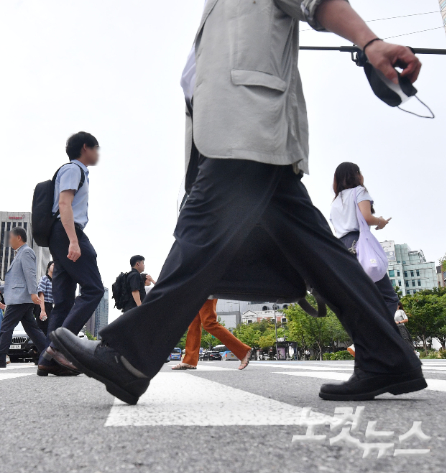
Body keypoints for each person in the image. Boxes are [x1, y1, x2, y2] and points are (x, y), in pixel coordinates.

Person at [49, 0, 425, 405]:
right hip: (237, 137)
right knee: (319, 252)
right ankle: (387, 355)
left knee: (198, 238)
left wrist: (368, 41)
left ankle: (128, 356)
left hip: (248, 128)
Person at [39, 132, 105, 374]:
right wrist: (74, 241)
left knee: (64, 301)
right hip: (67, 231)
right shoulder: (73, 170)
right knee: (94, 288)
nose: (98, 154)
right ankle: (60, 348)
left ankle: (47, 360)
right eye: (96, 148)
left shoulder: (77, 172)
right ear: (85, 147)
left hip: (61, 233)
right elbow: (65, 204)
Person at [330, 162, 399, 359]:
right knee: (388, 297)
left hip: (342, 249)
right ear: (356, 175)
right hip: (359, 245)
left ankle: (364, 343)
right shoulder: (359, 191)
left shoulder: (335, 202)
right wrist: (381, 221)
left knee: (362, 299)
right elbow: (367, 217)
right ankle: (367, 341)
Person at [0, 227, 49, 370]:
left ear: (18, 237)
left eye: (10, 237)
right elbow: (18, 280)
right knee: (32, 330)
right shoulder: (19, 254)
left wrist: (32, 293)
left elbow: (30, 274)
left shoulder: (26, 252)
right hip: (21, 297)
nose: (9, 240)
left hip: (20, 299)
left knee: (6, 327)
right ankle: (51, 353)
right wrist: (1, 288)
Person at [172, 299, 251, 370]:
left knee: (209, 322)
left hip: (205, 286)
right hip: (193, 289)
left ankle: (243, 351)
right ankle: (190, 360)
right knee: (193, 324)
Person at [35, 261, 55, 335]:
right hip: (43, 305)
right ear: (48, 267)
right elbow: (41, 295)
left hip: (51, 306)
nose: (55, 267)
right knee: (42, 328)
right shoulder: (44, 279)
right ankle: (41, 346)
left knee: (49, 329)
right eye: (53, 265)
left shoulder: (55, 281)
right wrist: (43, 310)